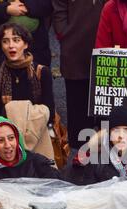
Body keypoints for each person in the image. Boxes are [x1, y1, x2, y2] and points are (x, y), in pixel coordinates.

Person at [51, 0, 104, 149]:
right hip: (74, 46)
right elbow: (59, 9)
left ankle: (106, 151)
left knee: (104, 101)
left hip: (104, 43)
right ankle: (80, 151)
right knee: (77, 101)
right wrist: (64, 33)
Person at [0, 22, 55, 127]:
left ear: (26, 44)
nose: (11, 45)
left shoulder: (42, 72)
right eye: (5, 41)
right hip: (8, 134)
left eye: (16, 40)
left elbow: (49, 110)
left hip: (37, 130)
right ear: (1, 46)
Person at [0, 0, 53, 72]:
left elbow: (48, 5)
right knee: (1, 83)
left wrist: (26, 7)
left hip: (35, 47)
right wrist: (6, 9)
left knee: (37, 83)